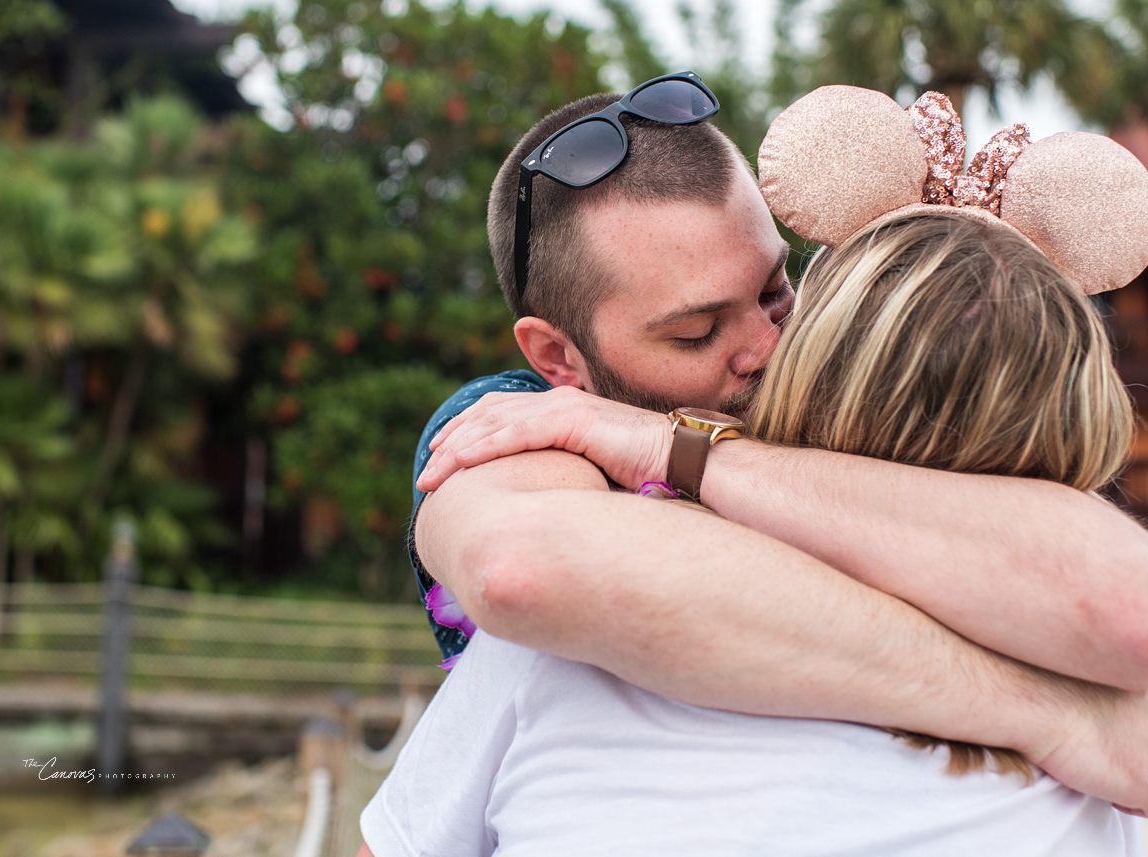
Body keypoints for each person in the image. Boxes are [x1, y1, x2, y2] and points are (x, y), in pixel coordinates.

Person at [360, 77, 1148, 854]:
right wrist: (1055, 712)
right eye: (697, 333)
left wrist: (673, 447)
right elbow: (528, 566)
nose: (772, 349)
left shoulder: (797, 414)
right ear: (558, 361)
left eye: (777, 292)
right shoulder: (515, 424)